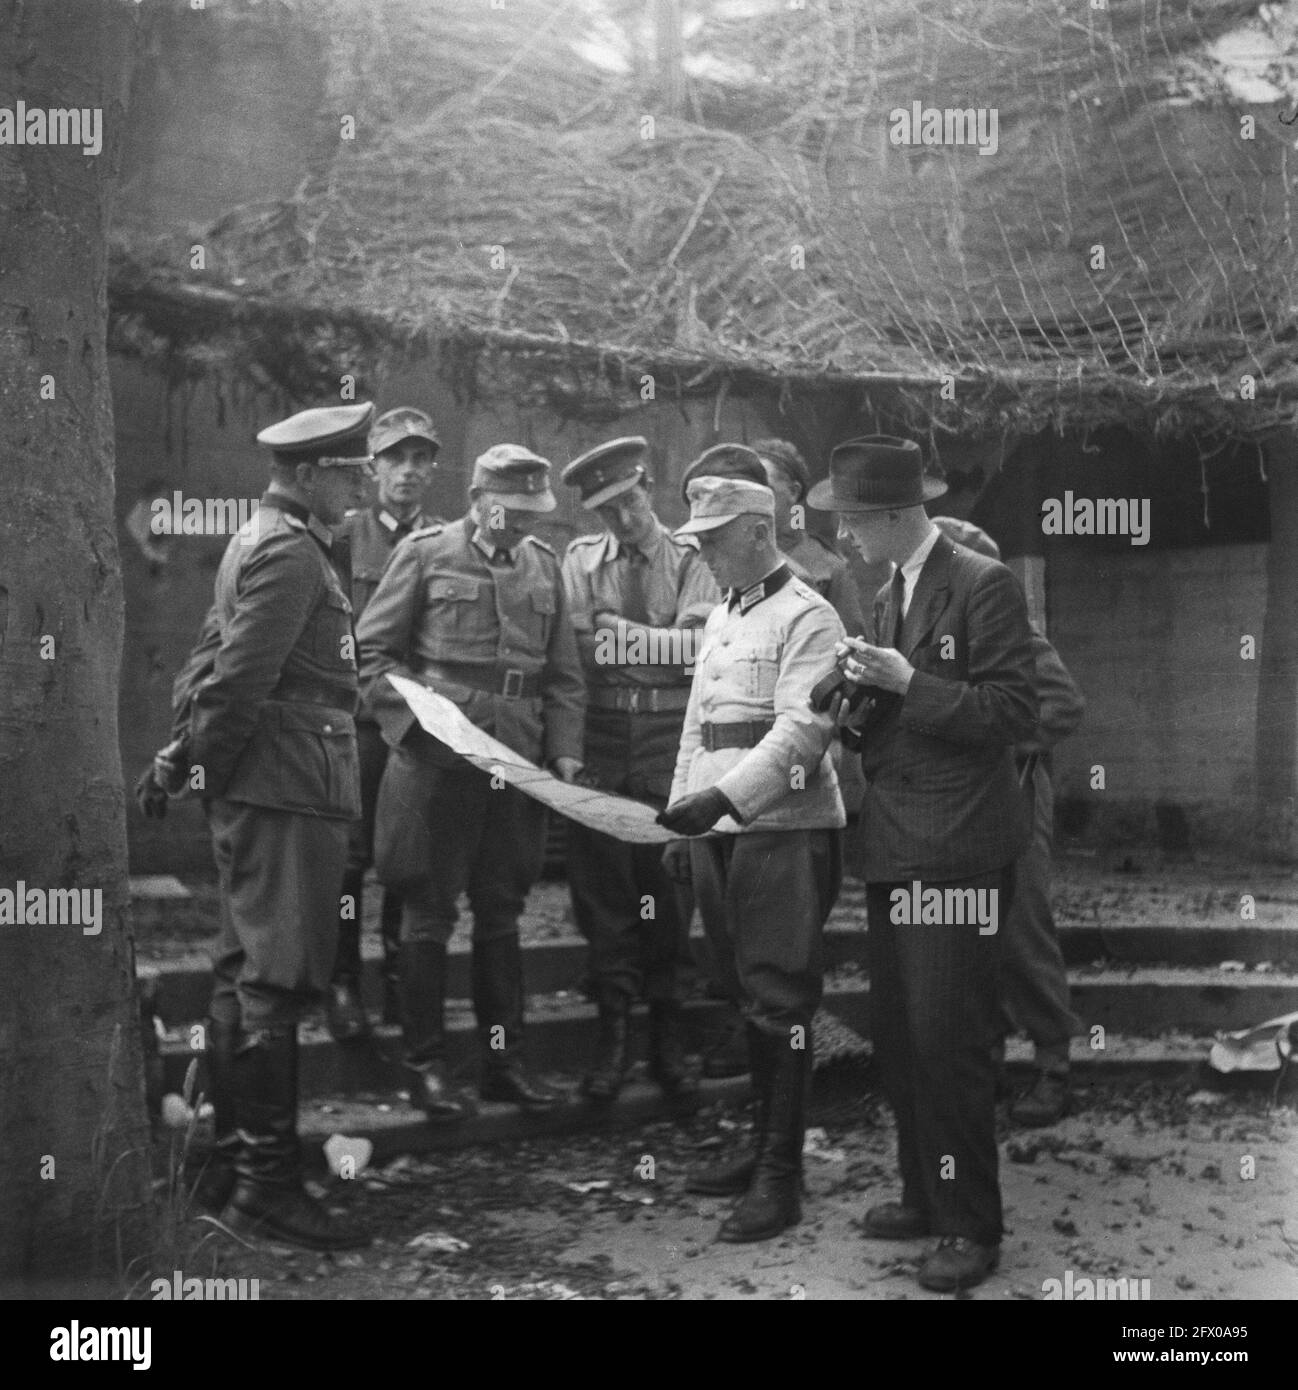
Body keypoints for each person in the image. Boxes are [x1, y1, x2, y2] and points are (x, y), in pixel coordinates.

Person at [144, 401, 376, 1250]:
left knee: (245, 970)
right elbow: (238, 676)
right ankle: (267, 1189)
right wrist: (196, 762)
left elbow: (209, 663)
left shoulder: (266, 538)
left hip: (272, 783)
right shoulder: (289, 551)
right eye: (351, 473)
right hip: (285, 788)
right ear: (310, 474)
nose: (362, 486)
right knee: (274, 979)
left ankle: (241, 1166)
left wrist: (183, 756)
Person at [815, 435, 1037, 1293]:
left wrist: (909, 682)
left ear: (896, 513)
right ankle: (923, 1192)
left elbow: (1012, 712)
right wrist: (855, 696)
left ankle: (970, 1226)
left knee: (950, 1043)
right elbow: (895, 718)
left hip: (958, 855)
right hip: (896, 845)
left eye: (853, 520)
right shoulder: (888, 591)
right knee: (904, 1039)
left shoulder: (984, 584)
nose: (844, 537)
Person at [357, 444, 586, 1118]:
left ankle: (502, 1066)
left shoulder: (544, 565)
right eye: (512, 509)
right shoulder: (427, 554)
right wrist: (420, 728)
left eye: (533, 511)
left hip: (515, 762)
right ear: (480, 500)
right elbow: (372, 655)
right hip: (437, 765)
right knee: (428, 913)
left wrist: (563, 752)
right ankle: (425, 1068)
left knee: (502, 911)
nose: (523, 522)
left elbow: (564, 676)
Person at [660, 462, 846, 1243]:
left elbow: (804, 731)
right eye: (697, 540)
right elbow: (697, 725)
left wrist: (724, 801)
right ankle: (762, 1146)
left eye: (713, 540)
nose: (701, 554)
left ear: (759, 531)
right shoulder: (722, 614)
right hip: (717, 828)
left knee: (781, 1001)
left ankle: (781, 1174)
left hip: (783, 829)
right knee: (746, 993)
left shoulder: (810, 615)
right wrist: (684, 815)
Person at [560, 436, 719, 1105]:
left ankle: (667, 1033)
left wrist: (618, 635)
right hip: (600, 734)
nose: (622, 520)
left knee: (669, 883)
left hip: (667, 735)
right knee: (603, 888)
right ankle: (613, 1033)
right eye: (607, 511)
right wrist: (660, 643)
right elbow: (576, 650)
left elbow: (700, 649)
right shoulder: (578, 560)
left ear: (648, 487)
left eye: (629, 502)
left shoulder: (692, 557)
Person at [932, 516, 1085, 1125]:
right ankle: (987, 1064)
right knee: (968, 933)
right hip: (955, 804)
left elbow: (1063, 705)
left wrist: (992, 742)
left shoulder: (1013, 630)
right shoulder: (927, 629)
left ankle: (1054, 1067)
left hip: (1013, 793)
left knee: (1021, 929)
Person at [324, 407, 444, 1040]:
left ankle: (400, 978)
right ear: (373, 469)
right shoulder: (344, 537)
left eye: (420, 459)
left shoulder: (446, 542)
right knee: (350, 859)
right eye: (395, 458)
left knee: (410, 857)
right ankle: (343, 981)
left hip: (421, 727)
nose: (408, 471)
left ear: (433, 470)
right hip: (362, 722)